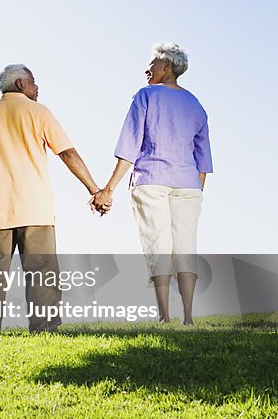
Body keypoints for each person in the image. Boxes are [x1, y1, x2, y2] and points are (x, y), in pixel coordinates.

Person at [0, 64, 104, 335]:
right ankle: (45, 329)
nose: (37, 88)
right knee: (41, 272)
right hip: (34, 207)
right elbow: (67, 154)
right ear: (20, 84)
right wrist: (94, 189)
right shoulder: (38, 111)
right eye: (33, 82)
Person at [91, 43, 213, 325]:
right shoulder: (196, 105)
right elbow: (203, 159)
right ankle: (189, 318)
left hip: (151, 180)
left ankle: (164, 317)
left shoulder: (145, 95)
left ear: (167, 66)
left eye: (153, 64)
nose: (148, 69)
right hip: (188, 185)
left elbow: (129, 146)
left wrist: (108, 188)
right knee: (185, 245)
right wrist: (196, 191)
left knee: (158, 244)